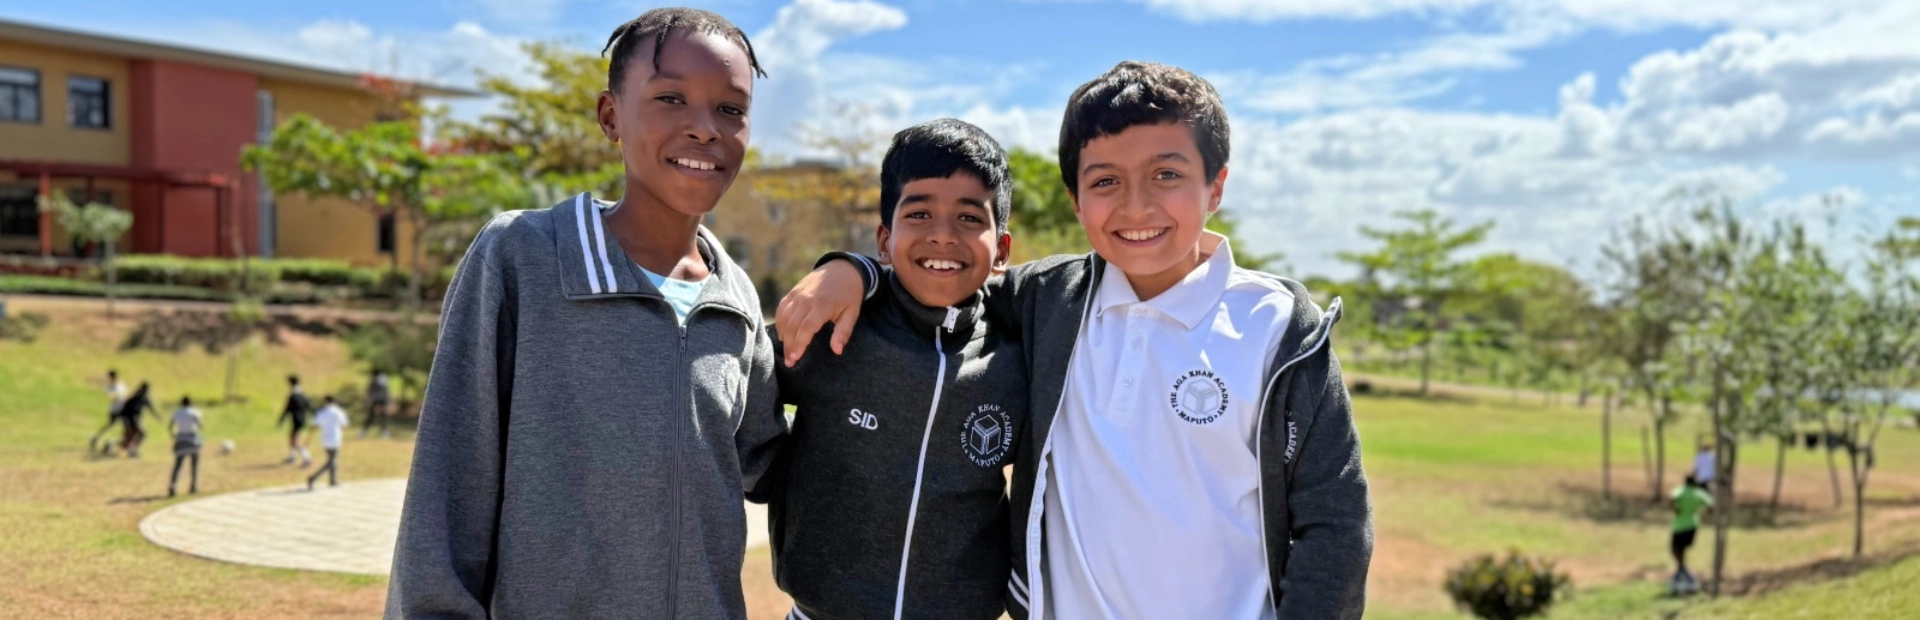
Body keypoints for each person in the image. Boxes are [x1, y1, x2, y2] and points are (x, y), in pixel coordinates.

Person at [778, 61, 1372, 619]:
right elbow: (944, 278)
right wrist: (854, 269)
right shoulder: (1048, 300)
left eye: (1166, 174)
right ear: (1075, 200)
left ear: (1215, 188)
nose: (1136, 205)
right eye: (1106, 180)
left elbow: (1335, 523)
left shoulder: (1279, 330)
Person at [386, 8, 785, 619]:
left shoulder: (737, 300)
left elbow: (774, 468)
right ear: (610, 116)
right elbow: (448, 485)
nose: (705, 129)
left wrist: (859, 277)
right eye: (671, 98)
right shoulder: (522, 256)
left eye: (730, 109)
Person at [761, 119, 1026, 620]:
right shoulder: (838, 328)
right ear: (884, 241)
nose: (943, 235)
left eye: (969, 217)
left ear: (1002, 251)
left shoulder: (1014, 356)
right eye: (919, 213)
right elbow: (742, 379)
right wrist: (761, 474)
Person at [1670, 475, 1714, 594]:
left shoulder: (1681, 490)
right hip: (1693, 525)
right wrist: (1703, 514)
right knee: (1682, 550)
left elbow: (1673, 498)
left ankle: (1685, 573)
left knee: (1676, 550)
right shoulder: (1698, 493)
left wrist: (1675, 509)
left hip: (1679, 526)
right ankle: (1682, 572)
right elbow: (1710, 504)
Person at [307, 396, 350, 490]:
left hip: (325, 439)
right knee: (332, 461)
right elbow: (344, 426)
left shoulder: (322, 412)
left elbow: (315, 425)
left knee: (332, 460)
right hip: (335, 438)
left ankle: (333, 480)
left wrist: (308, 438)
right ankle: (314, 478)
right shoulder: (339, 412)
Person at [168, 396, 203, 497]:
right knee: (195, 465)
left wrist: (173, 434)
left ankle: (173, 486)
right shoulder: (195, 412)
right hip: (192, 440)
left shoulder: (177, 412)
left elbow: (170, 426)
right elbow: (200, 424)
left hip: (181, 439)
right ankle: (194, 486)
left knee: (178, 465)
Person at [116, 382, 161, 458]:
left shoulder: (144, 399)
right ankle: (132, 450)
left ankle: (116, 445)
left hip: (134, 418)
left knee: (131, 437)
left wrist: (157, 416)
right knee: (139, 433)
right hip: (130, 418)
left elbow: (151, 408)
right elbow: (125, 408)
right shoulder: (135, 397)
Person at [89, 369, 128, 455]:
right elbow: (111, 398)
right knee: (110, 425)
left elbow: (125, 395)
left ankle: (117, 442)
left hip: (123, 409)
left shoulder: (121, 385)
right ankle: (97, 438)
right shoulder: (110, 386)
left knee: (125, 427)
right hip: (115, 409)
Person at [277, 375, 313, 467]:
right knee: (292, 438)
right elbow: (309, 406)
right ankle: (292, 457)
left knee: (295, 441)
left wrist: (281, 420)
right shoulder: (302, 395)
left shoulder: (293, 395)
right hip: (301, 419)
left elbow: (287, 409)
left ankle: (307, 459)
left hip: (296, 420)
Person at [361, 369, 392, 439]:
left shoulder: (375, 381)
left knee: (372, 417)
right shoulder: (385, 380)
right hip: (383, 401)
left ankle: (364, 432)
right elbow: (386, 393)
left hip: (377, 401)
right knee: (383, 417)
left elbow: (372, 392)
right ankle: (384, 432)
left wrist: (372, 402)